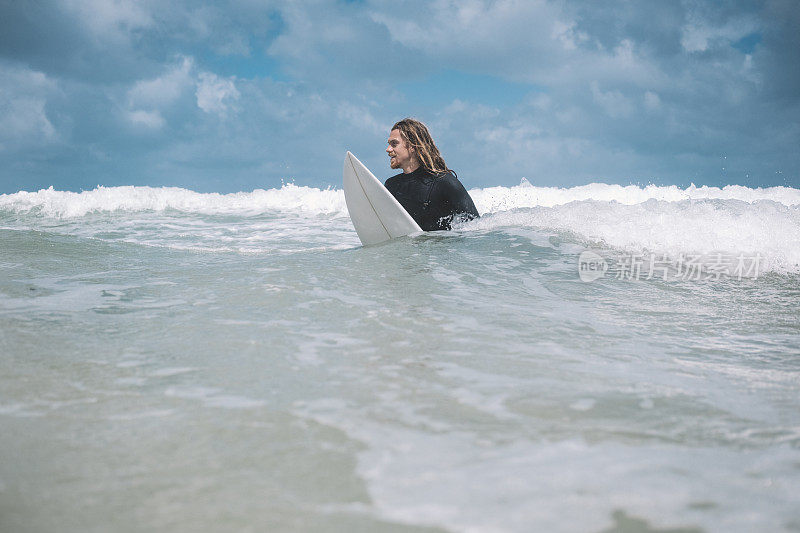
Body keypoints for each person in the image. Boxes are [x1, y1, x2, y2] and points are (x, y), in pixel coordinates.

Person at [384, 118, 479, 231]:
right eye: (389, 144)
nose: (388, 149)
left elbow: (475, 226)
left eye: (394, 144)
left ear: (412, 146)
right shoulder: (392, 185)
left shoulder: (444, 182)